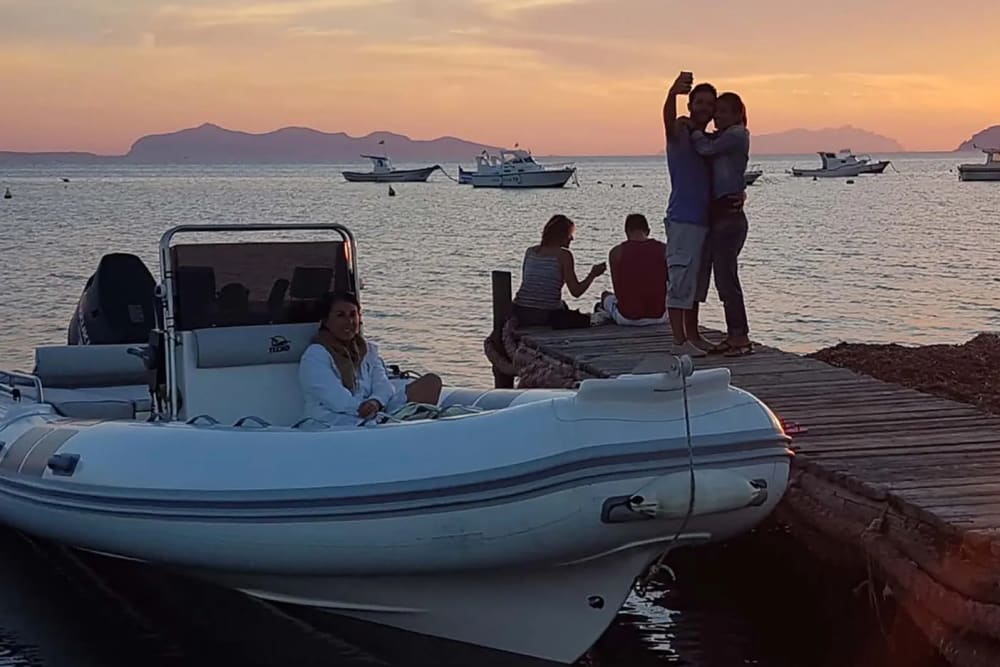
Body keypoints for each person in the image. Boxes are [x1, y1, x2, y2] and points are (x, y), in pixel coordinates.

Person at [298, 291, 442, 426]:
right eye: (340, 315)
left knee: (431, 382)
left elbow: (383, 385)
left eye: (353, 315)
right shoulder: (315, 355)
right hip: (333, 420)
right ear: (326, 321)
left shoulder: (367, 350)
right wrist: (367, 409)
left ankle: (404, 426)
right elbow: (336, 400)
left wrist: (376, 402)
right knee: (383, 421)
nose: (349, 321)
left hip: (374, 412)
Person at [684, 92, 753, 356]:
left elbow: (706, 148)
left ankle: (740, 337)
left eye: (724, 111)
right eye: (717, 111)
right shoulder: (725, 136)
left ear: (738, 114)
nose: (717, 116)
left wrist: (693, 130)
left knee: (727, 279)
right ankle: (735, 334)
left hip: (729, 217)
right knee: (720, 278)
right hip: (720, 214)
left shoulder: (736, 134)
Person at [662, 72, 720, 357]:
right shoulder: (680, 133)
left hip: (704, 220)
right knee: (681, 280)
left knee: (696, 284)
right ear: (690, 105)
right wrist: (672, 93)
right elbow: (667, 120)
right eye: (699, 102)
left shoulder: (707, 142)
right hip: (683, 218)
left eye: (710, 104)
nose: (704, 108)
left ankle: (693, 335)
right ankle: (677, 341)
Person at [510, 214, 606, 328]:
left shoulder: (530, 252)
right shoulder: (564, 255)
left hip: (520, 311)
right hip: (545, 314)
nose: (572, 238)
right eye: (570, 235)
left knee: (563, 306)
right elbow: (576, 292)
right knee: (589, 319)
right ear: (561, 236)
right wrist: (592, 274)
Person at [599, 213, 668, 326]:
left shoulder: (616, 252)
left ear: (626, 231)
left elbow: (618, 288)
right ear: (648, 231)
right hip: (658, 316)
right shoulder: (664, 249)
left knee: (605, 296)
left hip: (627, 318)